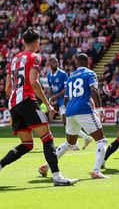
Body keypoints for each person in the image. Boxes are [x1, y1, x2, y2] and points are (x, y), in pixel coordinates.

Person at [0, 27, 77, 186]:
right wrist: (47, 104)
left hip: (13, 103)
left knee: (27, 144)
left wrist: (17, 102)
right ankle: (57, 177)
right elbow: (34, 82)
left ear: (22, 41)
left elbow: (7, 88)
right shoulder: (35, 57)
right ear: (36, 42)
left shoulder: (13, 60)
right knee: (47, 137)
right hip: (27, 99)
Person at [39, 54, 109, 179]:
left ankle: (46, 166)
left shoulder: (71, 76)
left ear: (77, 64)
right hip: (84, 109)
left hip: (70, 110)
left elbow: (66, 97)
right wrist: (99, 109)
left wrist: (65, 111)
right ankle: (96, 171)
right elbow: (94, 90)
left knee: (70, 143)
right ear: (88, 62)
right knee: (102, 140)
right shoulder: (90, 73)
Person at [47, 57, 92, 150]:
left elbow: (66, 89)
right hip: (58, 101)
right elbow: (51, 87)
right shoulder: (49, 75)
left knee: (66, 121)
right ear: (50, 64)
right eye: (54, 62)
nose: (56, 63)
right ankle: (84, 138)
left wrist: (56, 97)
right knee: (67, 122)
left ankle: (76, 143)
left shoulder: (62, 74)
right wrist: (51, 98)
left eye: (57, 62)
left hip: (65, 99)